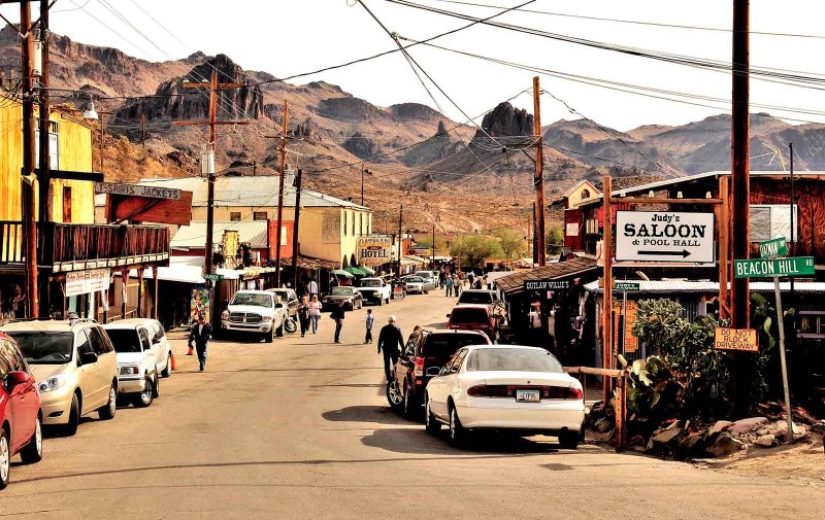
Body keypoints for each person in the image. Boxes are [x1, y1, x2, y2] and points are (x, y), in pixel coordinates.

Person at [377, 314, 404, 381]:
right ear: (394, 321)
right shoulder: (397, 328)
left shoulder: (384, 328)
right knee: (395, 363)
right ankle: (395, 376)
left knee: (387, 363)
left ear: (388, 321)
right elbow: (401, 339)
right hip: (394, 348)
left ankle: (388, 377)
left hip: (386, 349)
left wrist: (379, 348)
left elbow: (380, 339)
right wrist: (403, 348)